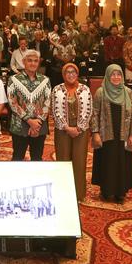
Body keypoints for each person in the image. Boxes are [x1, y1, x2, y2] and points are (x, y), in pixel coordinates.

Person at [90, 64, 132, 203]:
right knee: (107, 161)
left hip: (124, 134)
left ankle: (120, 192)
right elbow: (94, 114)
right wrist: (95, 132)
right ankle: (106, 191)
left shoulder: (128, 92)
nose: (116, 77)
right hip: (105, 134)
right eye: (113, 74)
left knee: (122, 161)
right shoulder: (101, 92)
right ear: (107, 75)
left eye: (119, 74)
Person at [50, 63, 92, 201]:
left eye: (73, 72)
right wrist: (67, 127)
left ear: (77, 74)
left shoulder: (85, 89)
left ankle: (78, 194)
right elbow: (55, 111)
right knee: (63, 160)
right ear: (63, 74)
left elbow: (89, 110)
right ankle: (63, 193)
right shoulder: (57, 89)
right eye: (67, 72)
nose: (71, 74)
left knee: (79, 162)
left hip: (81, 131)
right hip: (62, 130)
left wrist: (79, 128)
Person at [7, 49, 51, 161]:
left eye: (35, 61)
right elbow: (12, 102)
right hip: (19, 126)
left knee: (37, 158)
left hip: (39, 126)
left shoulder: (45, 80)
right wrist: (29, 121)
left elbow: (47, 103)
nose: (33, 63)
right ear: (23, 62)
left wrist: (37, 122)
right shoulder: (13, 79)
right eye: (29, 60)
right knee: (17, 158)